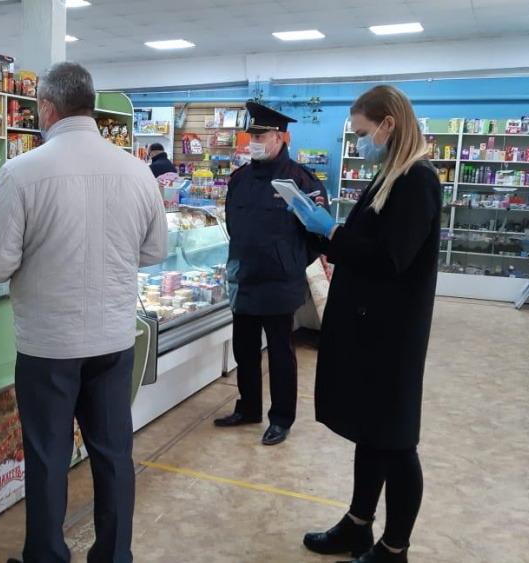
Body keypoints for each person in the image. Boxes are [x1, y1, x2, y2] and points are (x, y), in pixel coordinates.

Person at [0, 62, 167, 563]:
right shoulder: (137, 171)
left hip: (49, 344)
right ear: (91, 105)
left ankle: (46, 556)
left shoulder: (22, 172)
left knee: (48, 457)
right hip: (114, 338)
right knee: (113, 453)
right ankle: (114, 555)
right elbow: (154, 251)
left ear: (47, 108)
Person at [291, 85, 441, 563]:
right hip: (369, 327)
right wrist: (319, 229)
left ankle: (394, 549)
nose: (359, 142)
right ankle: (358, 525)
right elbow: (367, 242)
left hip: (391, 335)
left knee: (396, 442)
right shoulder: (390, 175)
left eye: (361, 132)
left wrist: (333, 230)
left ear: (388, 124)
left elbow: (390, 258)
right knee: (370, 432)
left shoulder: (416, 179)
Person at [213, 101, 329, 446]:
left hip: (280, 284)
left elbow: (316, 237)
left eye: (261, 136)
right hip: (245, 280)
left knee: (280, 355)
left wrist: (287, 263)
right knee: (244, 351)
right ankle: (248, 408)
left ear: (280, 137)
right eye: (252, 136)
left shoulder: (302, 181)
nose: (254, 142)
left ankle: (281, 418)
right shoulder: (240, 179)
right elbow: (234, 225)